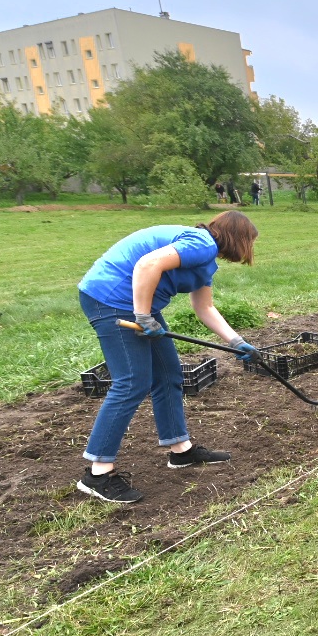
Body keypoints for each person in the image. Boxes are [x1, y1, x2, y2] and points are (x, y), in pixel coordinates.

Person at [75, 211, 260, 504]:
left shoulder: (204, 258)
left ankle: (180, 450)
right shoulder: (201, 243)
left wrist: (237, 342)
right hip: (111, 300)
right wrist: (142, 315)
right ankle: (97, 475)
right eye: (251, 242)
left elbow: (205, 308)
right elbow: (147, 264)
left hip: (135, 305)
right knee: (132, 382)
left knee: (168, 374)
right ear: (240, 238)